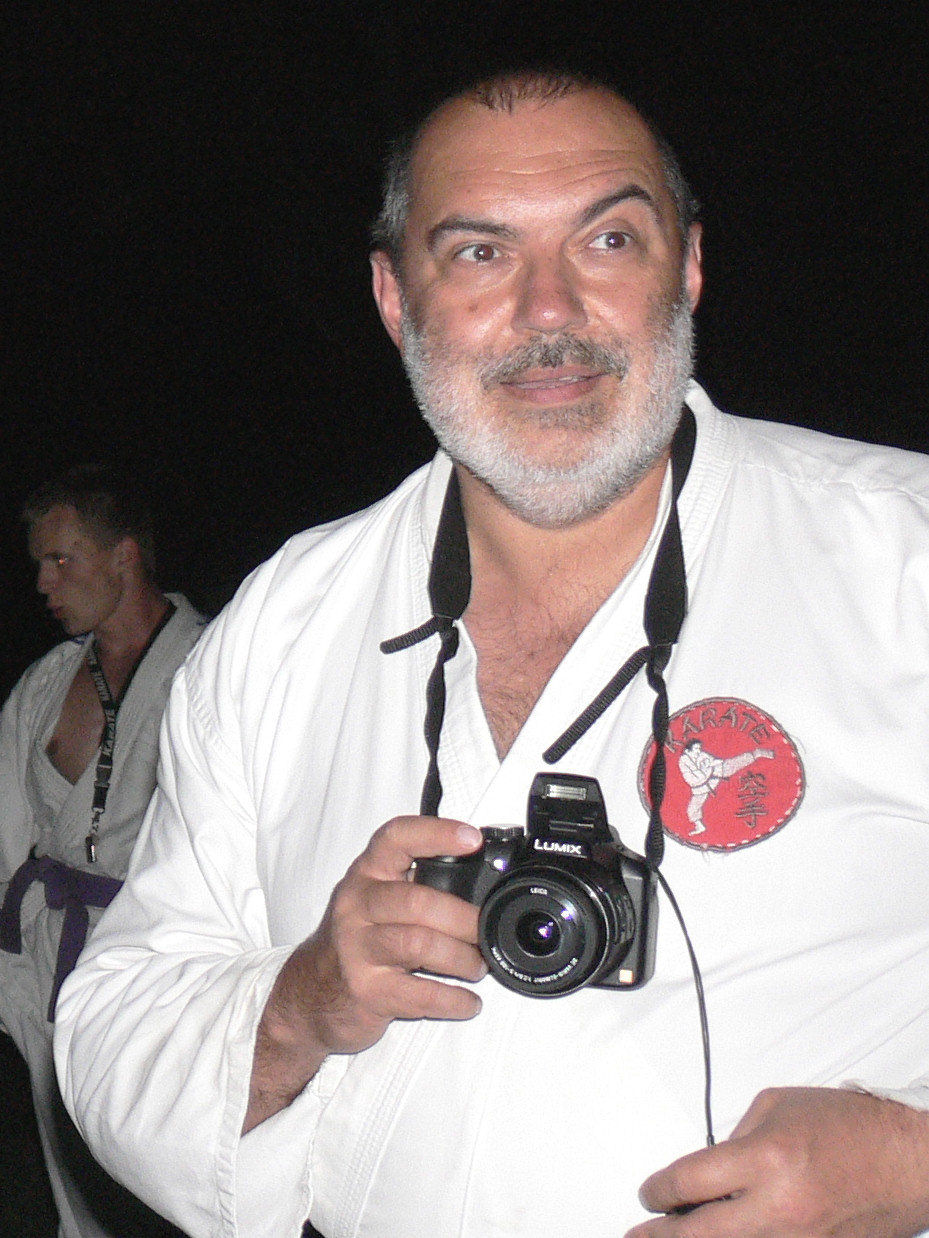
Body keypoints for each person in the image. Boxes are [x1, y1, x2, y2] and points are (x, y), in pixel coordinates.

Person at [54, 70, 929, 1238]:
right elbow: (113, 1023)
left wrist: (909, 1163)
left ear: (686, 264)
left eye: (607, 239)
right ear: (393, 298)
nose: (548, 309)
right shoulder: (288, 622)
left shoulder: (899, 560)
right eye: (478, 253)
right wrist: (298, 1004)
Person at [0, 464, 206, 1238]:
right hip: (50, 962)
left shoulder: (212, 669)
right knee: (76, 1195)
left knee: (165, 1186)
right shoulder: (49, 681)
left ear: (124, 556)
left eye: (62, 559)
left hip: (163, 969)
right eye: (39, 564)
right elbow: (5, 823)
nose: (44, 583)